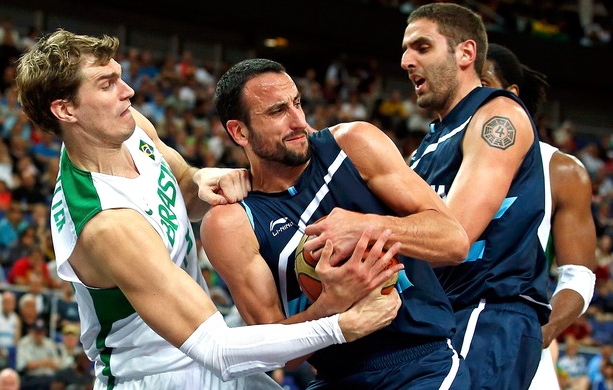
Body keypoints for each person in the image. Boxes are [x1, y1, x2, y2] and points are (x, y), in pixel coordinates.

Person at [15, 29, 401, 389]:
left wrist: (201, 179)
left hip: (203, 356)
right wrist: (338, 321)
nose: (128, 91)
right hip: (159, 375)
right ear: (66, 110)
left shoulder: (131, 130)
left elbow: (182, 187)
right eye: (106, 84)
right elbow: (219, 350)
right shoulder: (107, 225)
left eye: (119, 76)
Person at [203, 58, 471, 389]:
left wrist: (366, 227)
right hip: (335, 378)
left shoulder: (353, 144)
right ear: (239, 131)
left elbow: (454, 241)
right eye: (277, 112)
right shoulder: (231, 223)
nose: (298, 121)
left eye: (298, 103)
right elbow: (273, 351)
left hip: (421, 363)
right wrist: (333, 304)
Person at [385, 3, 550, 388]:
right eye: (406, 50)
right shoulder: (426, 146)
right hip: (440, 315)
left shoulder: (497, 116)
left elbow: (454, 235)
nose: (407, 60)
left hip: (487, 312)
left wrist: (362, 230)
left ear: (466, 53)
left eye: (422, 47)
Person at [480, 42, 598, 390]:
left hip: (518, 340)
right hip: (440, 337)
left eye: (483, 84)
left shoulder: (559, 169)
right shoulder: (431, 160)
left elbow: (579, 276)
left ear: (511, 93)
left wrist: (541, 334)